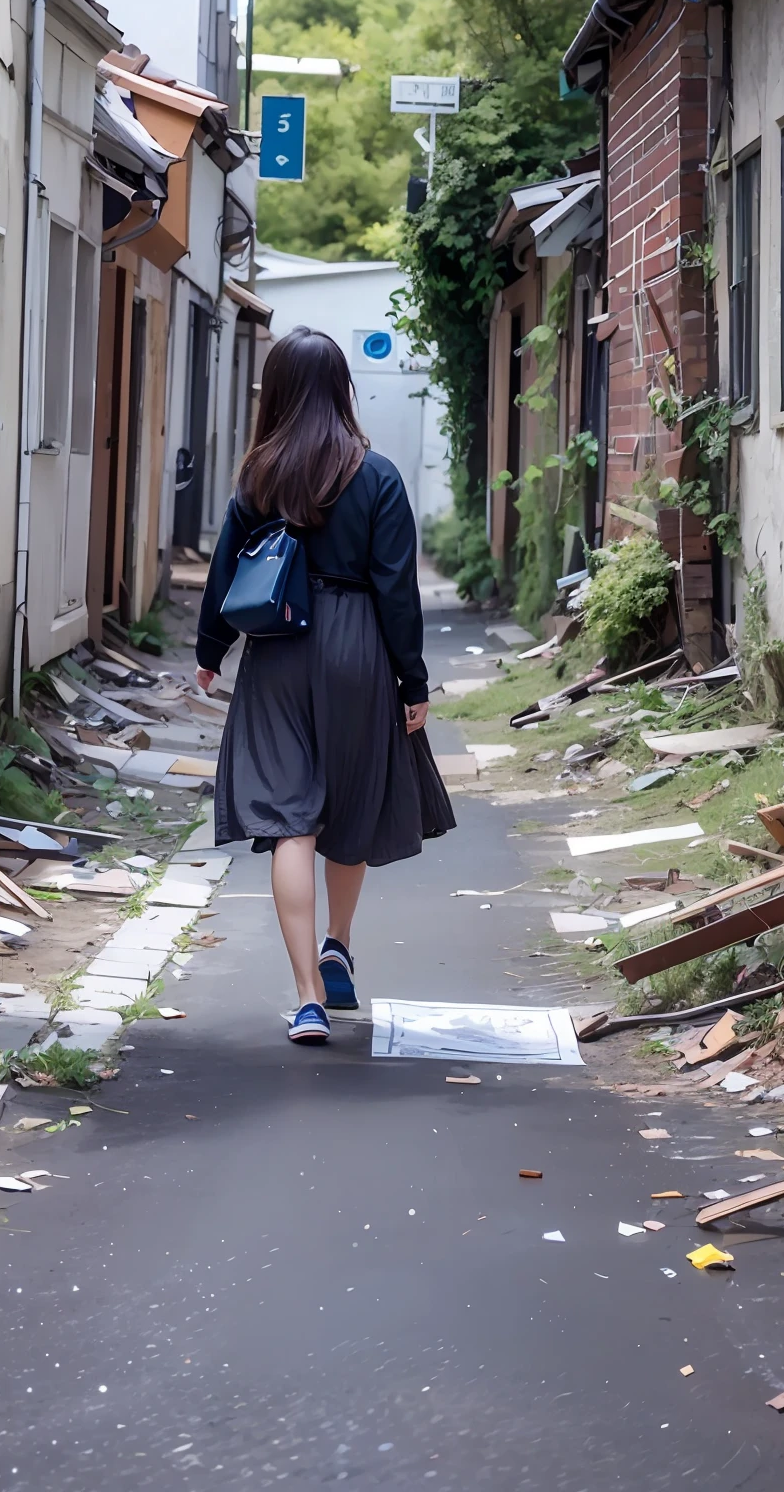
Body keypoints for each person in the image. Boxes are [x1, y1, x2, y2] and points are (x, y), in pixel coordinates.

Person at [195, 327, 454, 1044]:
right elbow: (397, 590)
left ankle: (307, 996)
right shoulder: (377, 476)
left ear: (274, 393)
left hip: (278, 650)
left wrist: (211, 651)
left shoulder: (258, 477)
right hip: (357, 648)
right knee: (351, 803)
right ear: (344, 388)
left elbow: (224, 575)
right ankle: (339, 941)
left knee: (289, 820)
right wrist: (412, 681)